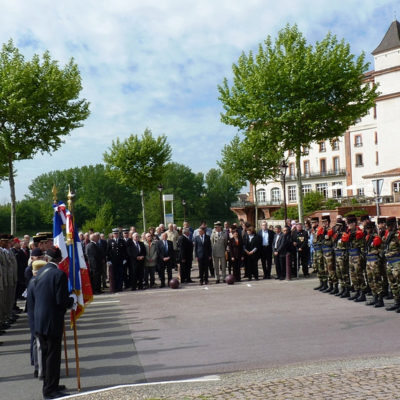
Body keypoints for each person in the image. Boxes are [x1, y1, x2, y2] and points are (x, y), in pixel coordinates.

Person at [28, 246, 76, 399]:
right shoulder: (59, 274)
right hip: (52, 320)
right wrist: (72, 301)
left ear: (47, 258)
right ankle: (50, 390)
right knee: (53, 356)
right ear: (59, 259)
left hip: (40, 320)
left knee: (47, 355)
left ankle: (51, 383)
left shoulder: (40, 272)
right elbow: (60, 300)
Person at [383, 217, 400, 312]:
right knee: (392, 283)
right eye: (387, 225)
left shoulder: (397, 235)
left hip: (397, 262)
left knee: (399, 283)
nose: (388, 227)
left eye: (389, 225)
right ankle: (397, 302)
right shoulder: (388, 234)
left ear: (394, 224)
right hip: (389, 262)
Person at [107, 228, 127, 292]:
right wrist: (108, 260)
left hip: (120, 260)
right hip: (113, 261)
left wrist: (124, 259)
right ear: (113, 234)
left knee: (120, 274)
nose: (116, 234)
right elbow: (108, 251)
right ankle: (115, 287)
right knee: (114, 274)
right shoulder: (110, 241)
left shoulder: (122, 241)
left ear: (118, 234)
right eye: (115, 233)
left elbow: (124, 251)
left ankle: (120, 287)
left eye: (117, 233)